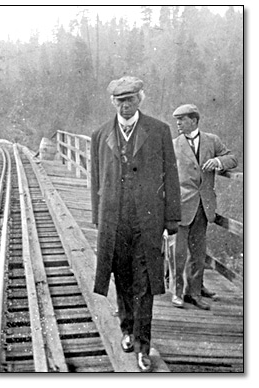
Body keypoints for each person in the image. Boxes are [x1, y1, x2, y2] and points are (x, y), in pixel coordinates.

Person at [91, 76, 181, 372]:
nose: (125, 105)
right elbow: (96, 182)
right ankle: (127, 329)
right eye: (120, 100)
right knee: (122, 280)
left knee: (144, 284)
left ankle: (143, 345)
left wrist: (171, 218)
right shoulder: (100, 135)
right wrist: (97, 218)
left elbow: (171, 176)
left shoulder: (158, 131)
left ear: (140, 99)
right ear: (112, 102)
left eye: (130, 99)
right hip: (115, 223)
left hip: (148, 222)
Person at [171, 104, 238, 310]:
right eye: (177, 120)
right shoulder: (173, 144)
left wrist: (218, 161)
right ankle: (177, 292)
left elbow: (232, 159)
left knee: (198, 252)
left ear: (194, 120)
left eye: (182, 119)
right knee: (178, 253)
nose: (179, 124)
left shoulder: (212, 140)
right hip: (181, 206)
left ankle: (194, 292)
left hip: (204, 205)